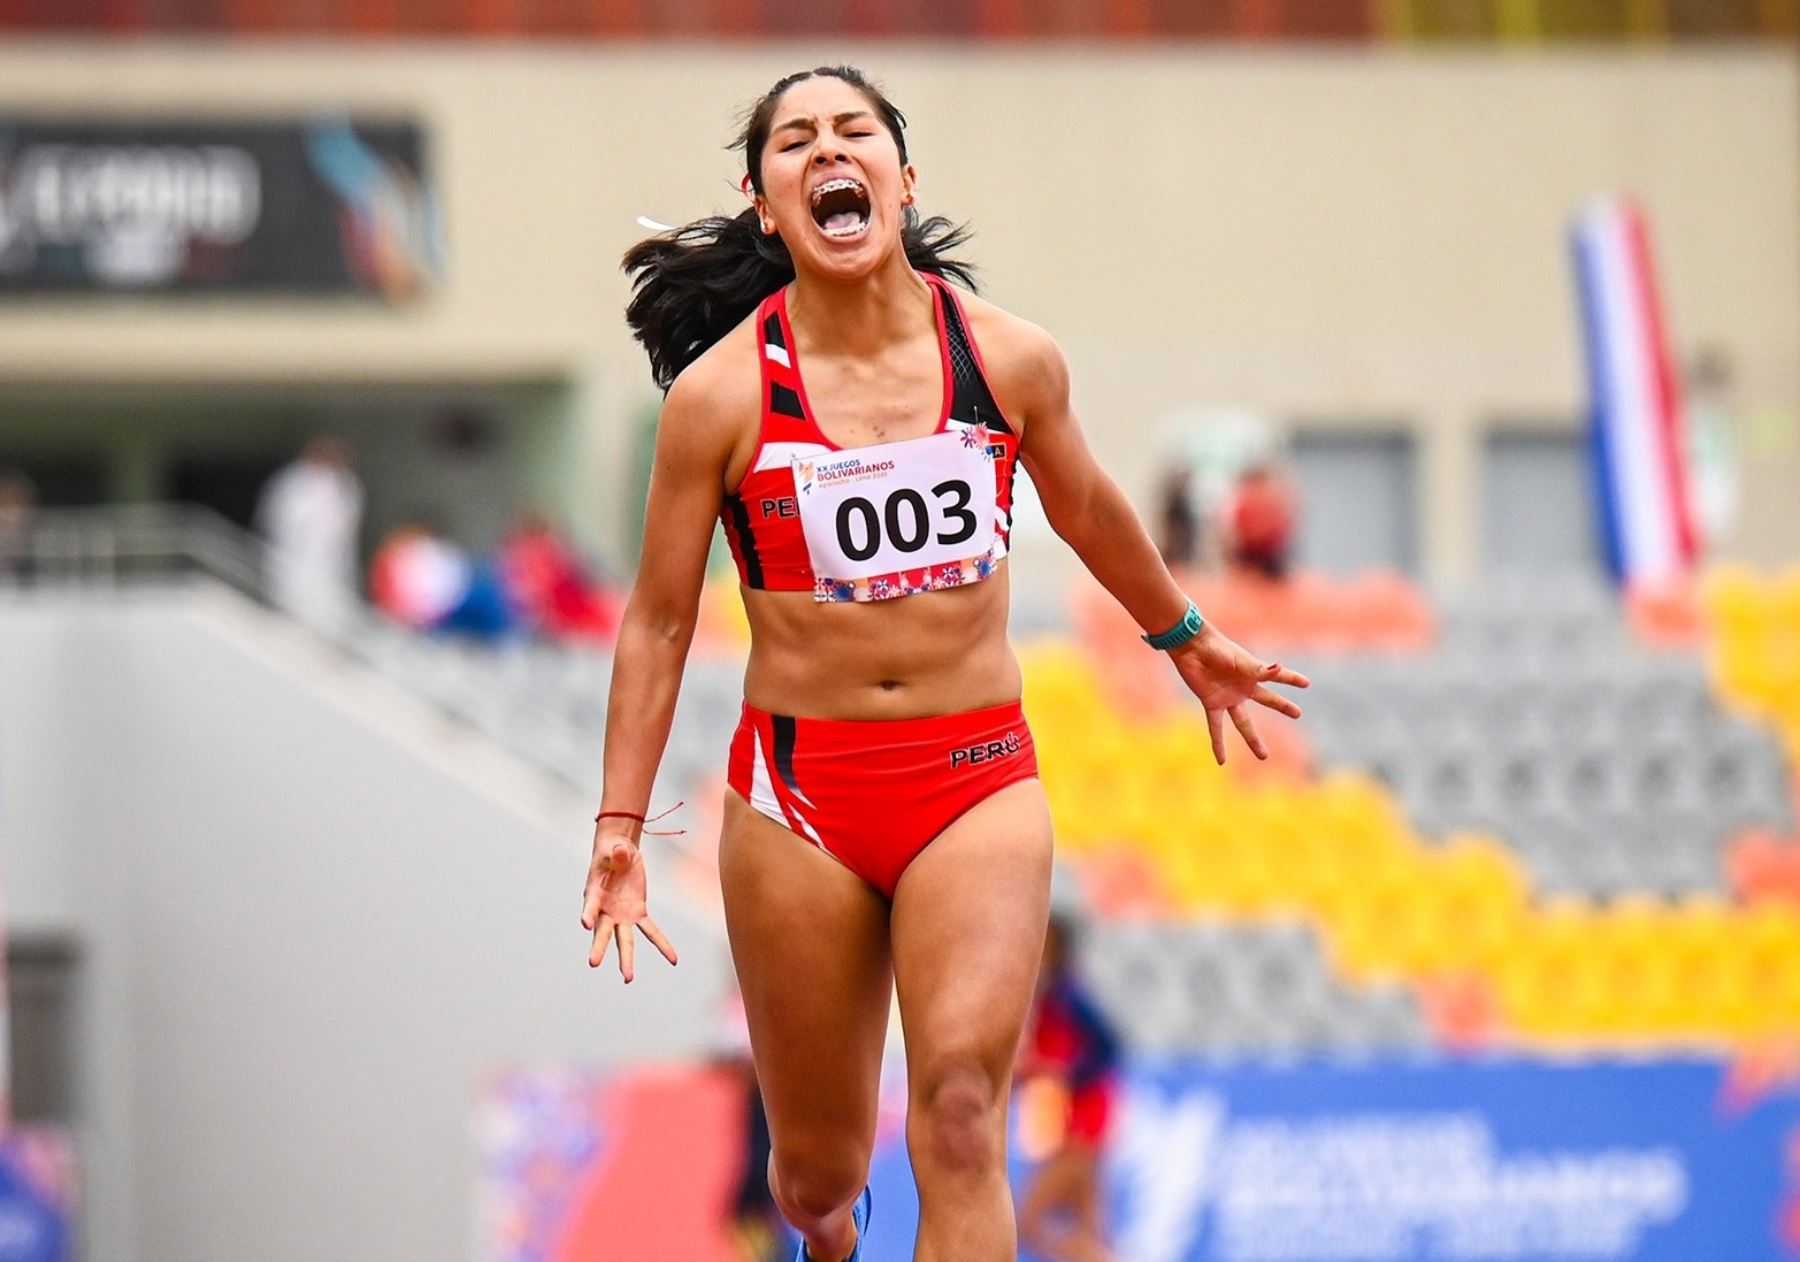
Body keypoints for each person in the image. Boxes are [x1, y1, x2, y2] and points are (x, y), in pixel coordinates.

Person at [580, 65, 1307, 1262]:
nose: (828, 152)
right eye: (795, 141)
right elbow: (658, 621)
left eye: (854, 132)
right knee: (816, 1171)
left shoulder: (1009, 362)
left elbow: (1086, 507)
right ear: (767, 203)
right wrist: (619, 820)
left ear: (903, 180)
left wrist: (1186, 635)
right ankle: (828, 1234)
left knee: (964, 1109)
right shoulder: (720, 402)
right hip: (799, 795)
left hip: (974, 777)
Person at [1015, 914, 1120, 1262]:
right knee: (1091, 1227)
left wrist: (1062, 1072)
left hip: (1081, 1124)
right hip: (1076, 1125)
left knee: (1029, 1222)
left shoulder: (1068, 994)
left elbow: (1109, 1047)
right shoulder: (1051, 993)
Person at [254, 437, 364, 634]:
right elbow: (279, 524)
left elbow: (346, 533)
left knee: (333, 620)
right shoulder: (293, 483)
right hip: (296, 565)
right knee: (295, 620)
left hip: (334, 569)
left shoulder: (347, 486)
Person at [1225, 462, 1296, 581]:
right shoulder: (1245, 499)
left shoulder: (1273, 498)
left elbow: (1283, 521)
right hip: (1248, 554)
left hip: (1270, 554)